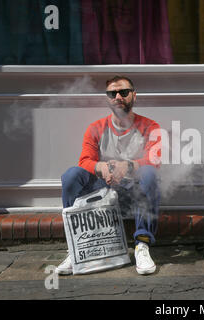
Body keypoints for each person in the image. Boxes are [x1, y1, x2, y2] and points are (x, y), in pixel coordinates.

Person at [56, 75, 161, 275]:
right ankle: (75, 248)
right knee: (71, 175)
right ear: (107, 99)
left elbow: (155, 160)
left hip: (134, 193)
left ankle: (142, 245)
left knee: (149, 173)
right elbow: (84, 161)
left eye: (124, 92)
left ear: (134, 96)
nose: (118, 97)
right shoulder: (95, 128)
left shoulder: (150, 126)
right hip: (103, 192)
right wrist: (101, 167)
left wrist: (128, 165)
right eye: (112, 93)